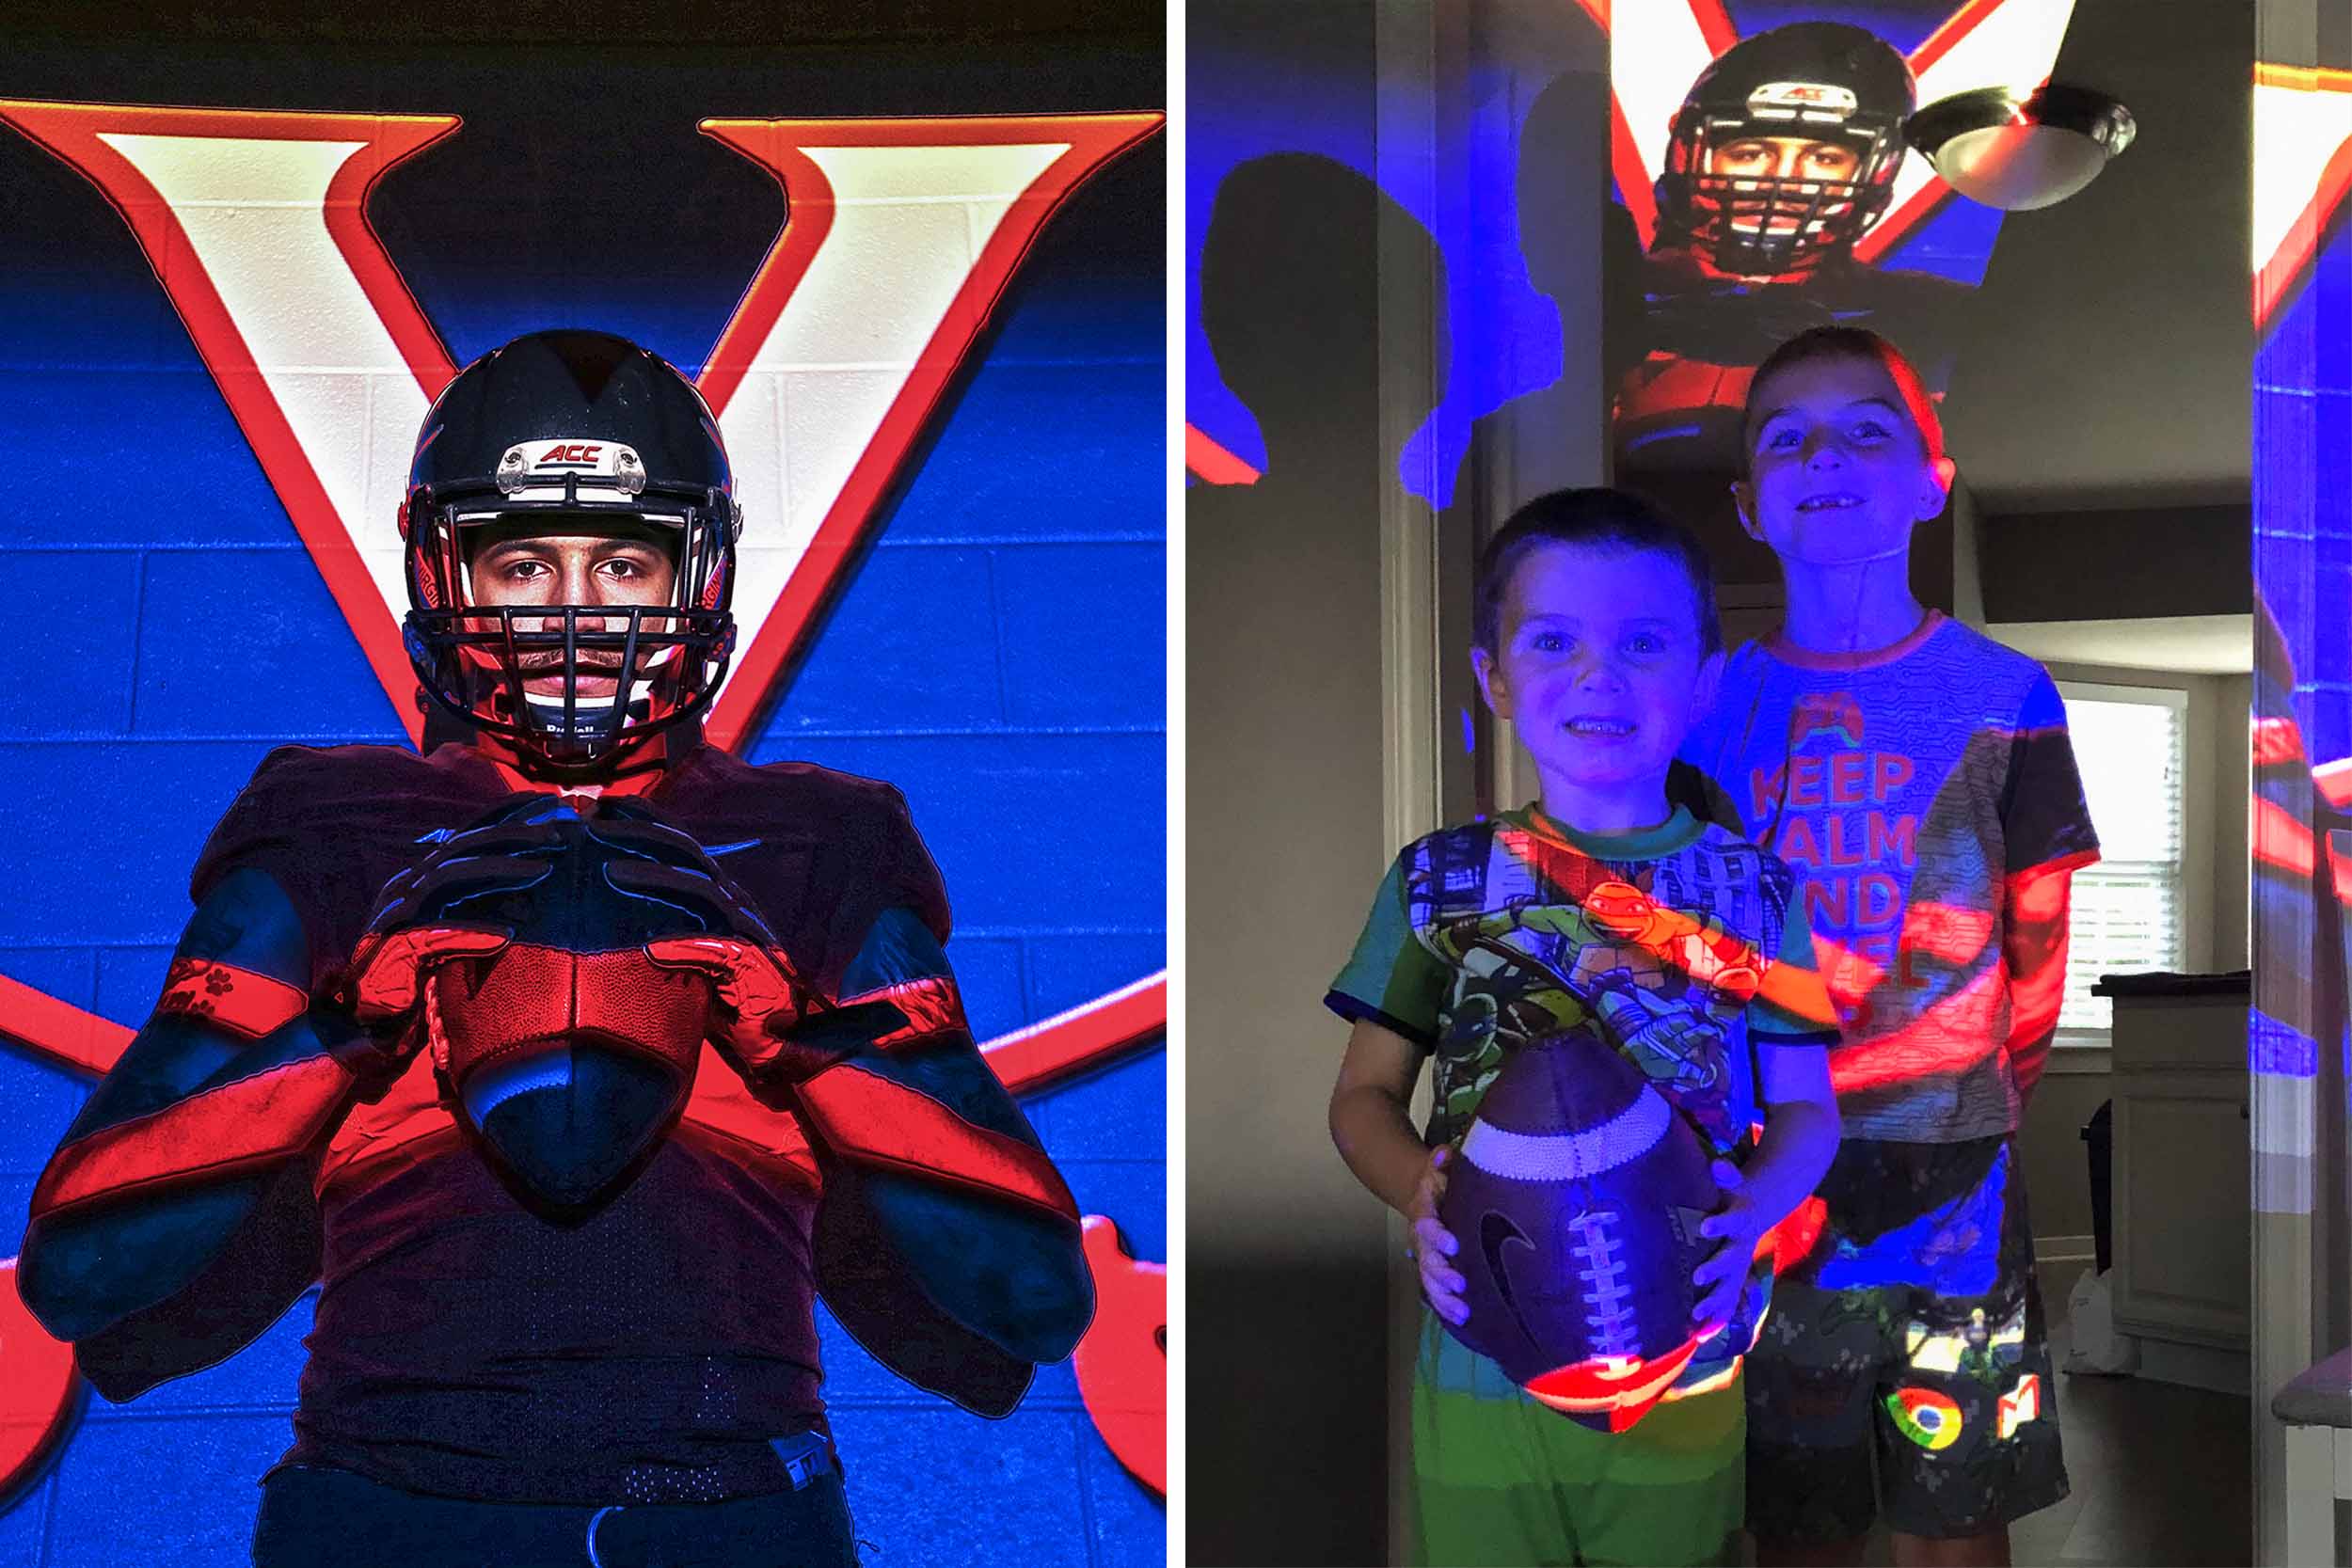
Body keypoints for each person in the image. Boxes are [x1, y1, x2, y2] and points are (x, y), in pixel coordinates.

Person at [16, 329, 1093, 1567]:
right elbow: (80, 1271)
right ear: (446, 570)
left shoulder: (817, 835)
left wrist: (806, 1045)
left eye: (624, 562)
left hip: (731, 1511)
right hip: (389, 1505)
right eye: (523, 562)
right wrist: (339, 1033)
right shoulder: (333, 819)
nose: (576, 610)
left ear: (696, 575)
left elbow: (1035, 1294)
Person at [1325, 487, 1842, 1568]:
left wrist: (1749, 1215)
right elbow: (1361, 1096)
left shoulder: (1758, 890)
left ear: (1702, 680)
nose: (1597, 673)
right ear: (1494, 678)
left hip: (1685, 1335)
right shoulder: (1439, 879)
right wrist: (1413, 1186)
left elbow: (1807, 1111)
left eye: (1641, 642)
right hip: (1484, 1341)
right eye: (1552, 639)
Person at [1679, 325, 2098, 1565]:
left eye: (1869, 428)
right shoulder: (1706, 703)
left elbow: (2039, 921)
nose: (1828, 454)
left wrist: (1986, 1092)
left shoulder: (2007, 692)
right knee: (1797, 1512)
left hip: (1954, 1171)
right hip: (1764, 1176)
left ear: (1931, 477)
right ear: (1751, 503)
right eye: (1788, 436)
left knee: (1955, 1511)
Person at [1615, 22, 1969, 489]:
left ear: (1875, 171)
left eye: (1823, 158)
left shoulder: (1932, 316)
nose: (1781, 183)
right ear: (1693, 153)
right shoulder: (1601, 293)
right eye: (1749, 153)